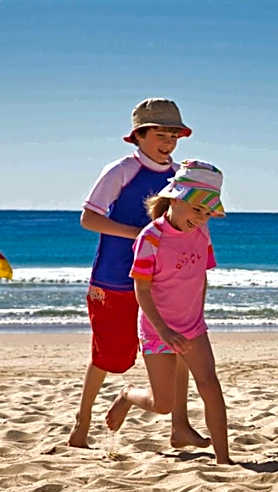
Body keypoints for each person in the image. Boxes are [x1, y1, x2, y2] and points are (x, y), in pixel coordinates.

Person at [70, 98, 208, 450]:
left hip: (160, 281)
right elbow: (89, 218)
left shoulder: (179, 176)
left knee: (175, 349)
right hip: (113, 278)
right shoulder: (120, 170)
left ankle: (180, 428)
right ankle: (81, 427)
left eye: (174, 135)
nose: (168, 142)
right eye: (161, 134)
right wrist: (140, 235)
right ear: (139, 136)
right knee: (109, 357)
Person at [104, 160, 231, 465]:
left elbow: (201, 276)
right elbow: (142, 290)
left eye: (207, 212)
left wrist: (197, 316)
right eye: (195, 209)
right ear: (175, 198)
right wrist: (164, 331)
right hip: (156, 329)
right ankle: (127, 396)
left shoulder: (202, 233)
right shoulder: (151, 238)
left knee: (210, 385)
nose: (200, 218)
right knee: (163, 403)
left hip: (192, 326)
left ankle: (224, 458)